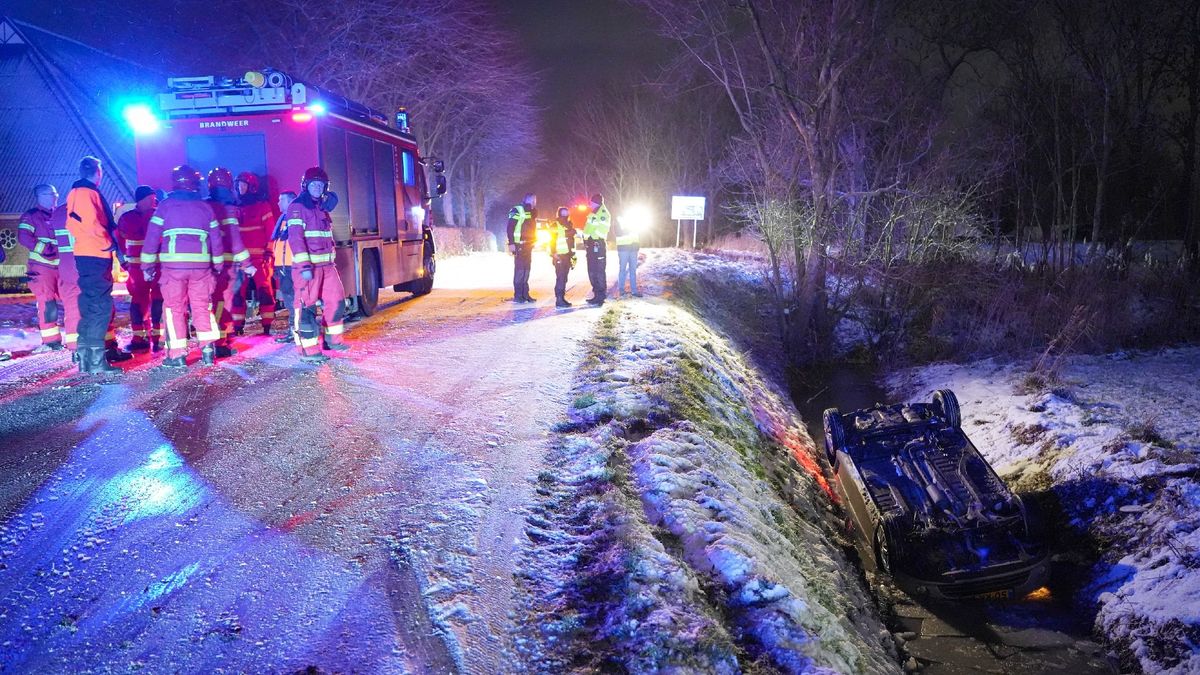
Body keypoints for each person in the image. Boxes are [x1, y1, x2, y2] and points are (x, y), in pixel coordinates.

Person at [141, 165, 225, 368]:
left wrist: (147, 265)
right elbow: (216, 238)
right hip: (201, 268)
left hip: (173, 268)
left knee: (174, 309)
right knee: (202, 307)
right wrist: (219, 263)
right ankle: (207, 350)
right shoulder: (206, 208)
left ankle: (177, 355)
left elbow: (152, 236)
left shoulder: (166, 206)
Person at [65, 155, 128, 374]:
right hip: (94, 255)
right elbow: (92, 224)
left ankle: (86, 357)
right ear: (97, 173)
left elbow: (75, 224)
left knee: (90, 305)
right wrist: (108, 244)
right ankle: (95, 361)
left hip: (85, 254)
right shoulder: (87, 193)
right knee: (99, 307)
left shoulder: (75, 192)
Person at [288, 167, 349, 363]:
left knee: (337, 301)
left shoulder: (320, 207)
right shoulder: (297, 207)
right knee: (306, 306)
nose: (316, 187)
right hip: (308, 268)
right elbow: (296, 239)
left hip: (327, 266)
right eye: (313, 184)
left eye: (320, 185)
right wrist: (305, 265)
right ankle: (308, 349)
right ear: (306, 186)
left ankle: (333, 340)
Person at [205, 167, 255, 358]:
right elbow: (235, 240)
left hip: (204, 264)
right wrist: (247, 264)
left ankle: (212, 341)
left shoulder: (204, 205)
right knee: (222, 304)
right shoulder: (229, 208)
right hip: (225, 266)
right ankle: (220, 342)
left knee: (208, 303)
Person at [17, 184, 65, 352]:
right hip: (42, 266)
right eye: (51, 194)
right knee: (48, 302)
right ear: (40, 196)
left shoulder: (60, 215)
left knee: (72, 299)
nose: (54, 197)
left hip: (62, 265)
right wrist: (45, 249)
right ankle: (51, 341)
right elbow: (23, 237)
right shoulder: (31, 216)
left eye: (55, 193)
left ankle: (75, 336)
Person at [116, 186, 164, 351]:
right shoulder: (128, 219)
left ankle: (158, 337)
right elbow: (119, 243)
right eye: (151, 198)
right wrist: (124, 263)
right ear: (142, 200)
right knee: (138, 301)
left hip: (157, 267)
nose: (154, 201)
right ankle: (139, 337)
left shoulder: (156, 214)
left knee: (158, 300)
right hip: (137, 269)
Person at [234, 172, 277, 335]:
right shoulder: (236, 208)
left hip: (260, 259)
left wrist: (269, 253)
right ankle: (238, 325)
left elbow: (271, 233)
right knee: (237, 293)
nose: (240, 188)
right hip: (240, 260)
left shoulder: (262, 206)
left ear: (252, 187)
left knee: (264, 292)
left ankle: (267, 324)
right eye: (238, 185)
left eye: (243, 185)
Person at [270, 191, 298, 344]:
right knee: (290, 301)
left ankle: (296, 331)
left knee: (294, 301)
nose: (278, 203)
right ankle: (294, 330)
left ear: (290, 201)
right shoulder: (283, 219)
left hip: (292, 267)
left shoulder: (294, 218)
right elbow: (279, 244)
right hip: (284, 267)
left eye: (281, 200)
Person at [506, 193, 537, 303]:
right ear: (526, 200)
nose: (534, 202)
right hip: (519, 244)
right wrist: (511, 243)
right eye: (532, 200)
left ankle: (525, 294)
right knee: (520, 270)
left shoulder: (531, 212)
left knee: (526, 270)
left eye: (535, 200)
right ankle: (518, 295)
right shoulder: (517, 209)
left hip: (528, 245)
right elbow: (510, 227)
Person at [582, 193, 611, 306]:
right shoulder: (594, 213)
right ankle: (596, 294)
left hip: (598, 243)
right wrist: (586, 237)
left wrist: (592, 236)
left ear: (596, 202)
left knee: (599, 271)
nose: (590, 204)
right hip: (591, 243)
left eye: (591, 202)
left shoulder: (603, 214)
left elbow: (601, 230)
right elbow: (588, 228)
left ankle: (601, 296)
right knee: (592, 270)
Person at [548, 206, 577, 308]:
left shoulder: (569, 225)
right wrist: (553, 253)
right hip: (559, 256)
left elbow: (572, 243)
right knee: (560, 278)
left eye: (567, 213)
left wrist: (573, 256)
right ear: (559, 214)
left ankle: (562, 298)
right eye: (563, 213)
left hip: (567, 255)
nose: (565, 215)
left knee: (564, 278)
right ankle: (559, 300)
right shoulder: (555, 225)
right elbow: (551, 240)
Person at [614, 210, 642, 298]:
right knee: (622, 269)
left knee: (633, 270)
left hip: (634, 248)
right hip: (623, 248)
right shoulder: (618, 221)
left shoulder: (634, 220)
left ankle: (634, 291)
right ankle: (621, 290)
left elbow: (638, 232)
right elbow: (618, 233)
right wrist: (629, 229)